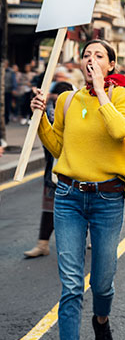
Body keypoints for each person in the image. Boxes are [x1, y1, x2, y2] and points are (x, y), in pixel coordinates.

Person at [31, 39, 125, 340]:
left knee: (103, 281)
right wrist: (40, 119)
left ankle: (101, 321)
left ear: (111, 66)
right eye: (86, 55)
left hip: (107, 199)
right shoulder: (67, 100)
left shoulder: (122, 96)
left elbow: (120, 128)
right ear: (79, 63)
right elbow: (58, 148)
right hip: (68, 198)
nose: (91, 59)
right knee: (72, 284)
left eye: (98, 56)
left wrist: (100, 92)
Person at [24, 80, 75, 259]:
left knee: (81, 210)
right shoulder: (50, 109)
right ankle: (42, 244)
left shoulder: (77, 109)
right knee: (48, 208)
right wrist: (37, 105)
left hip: (74, 170)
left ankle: (82, 244)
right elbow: (46, 136)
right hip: (52, 169)